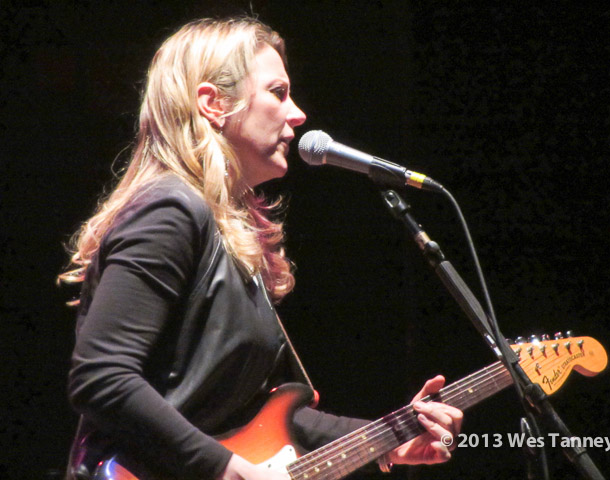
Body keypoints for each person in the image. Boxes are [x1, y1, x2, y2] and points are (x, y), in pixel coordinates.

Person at [59, 17, 463, 480]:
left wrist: (389, 439)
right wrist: (224, 468)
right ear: (213, 104)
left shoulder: (228, 231)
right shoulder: (169, 210)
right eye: (278, 92)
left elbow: (271, 419)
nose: (298, 114)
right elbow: (101, 377)